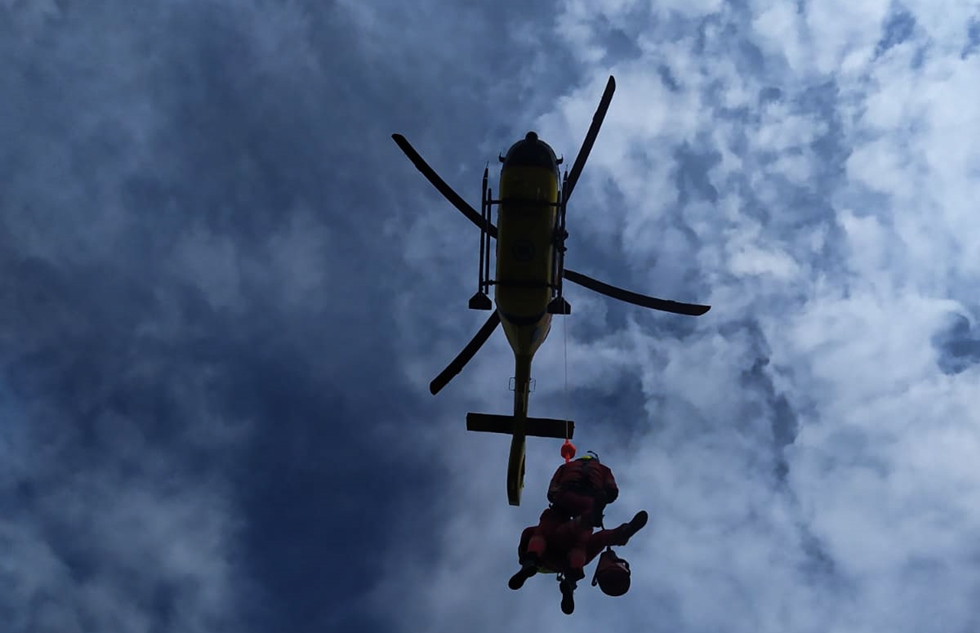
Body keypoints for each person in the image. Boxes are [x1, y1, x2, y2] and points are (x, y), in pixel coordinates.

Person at [508, 452, 648, 614]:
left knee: (547, 531)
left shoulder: (566, 467)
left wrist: (555, 495)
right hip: (586, 510)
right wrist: (604, 497)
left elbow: (552, 488)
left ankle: (530, 563)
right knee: (582, 537)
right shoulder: (603, 469)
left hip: (565, 498)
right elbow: (612, 490)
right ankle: (620, 532)